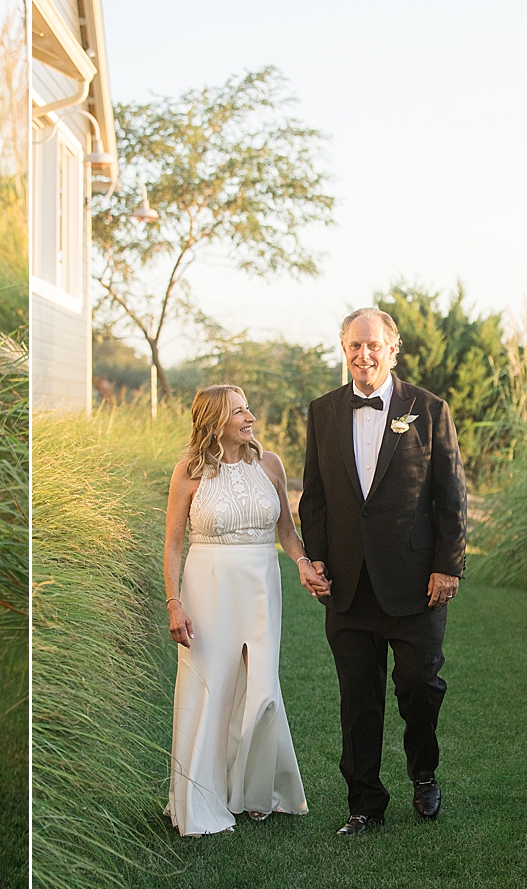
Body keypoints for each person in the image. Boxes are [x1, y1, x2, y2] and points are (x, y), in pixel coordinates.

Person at [298, 308, 468, 836]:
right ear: (343, 348)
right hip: (348, 586)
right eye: (354, 345)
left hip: (416, 583)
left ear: (393, 350)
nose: (363, 354)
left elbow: (451, 496)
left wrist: (447, 566)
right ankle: (365, 804)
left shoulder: (429, 409)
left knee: (420, 685)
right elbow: (316, 499)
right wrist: (317, 557)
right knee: (358, 698)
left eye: (373, 345)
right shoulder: (322, 412)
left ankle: (423, 773)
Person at [162, 384, 330, 836]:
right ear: (215, 421)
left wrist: (301, 564)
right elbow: (174, 543)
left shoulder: (269, 463)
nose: (250, 416)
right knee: (212, 688)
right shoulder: (190, 472)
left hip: (261, 585)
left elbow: (288, 534)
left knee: (262, 687)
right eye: (239, 411)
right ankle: (202, 795)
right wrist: (174, 602)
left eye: (248, 408)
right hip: (208, 585)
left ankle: (256, 790)